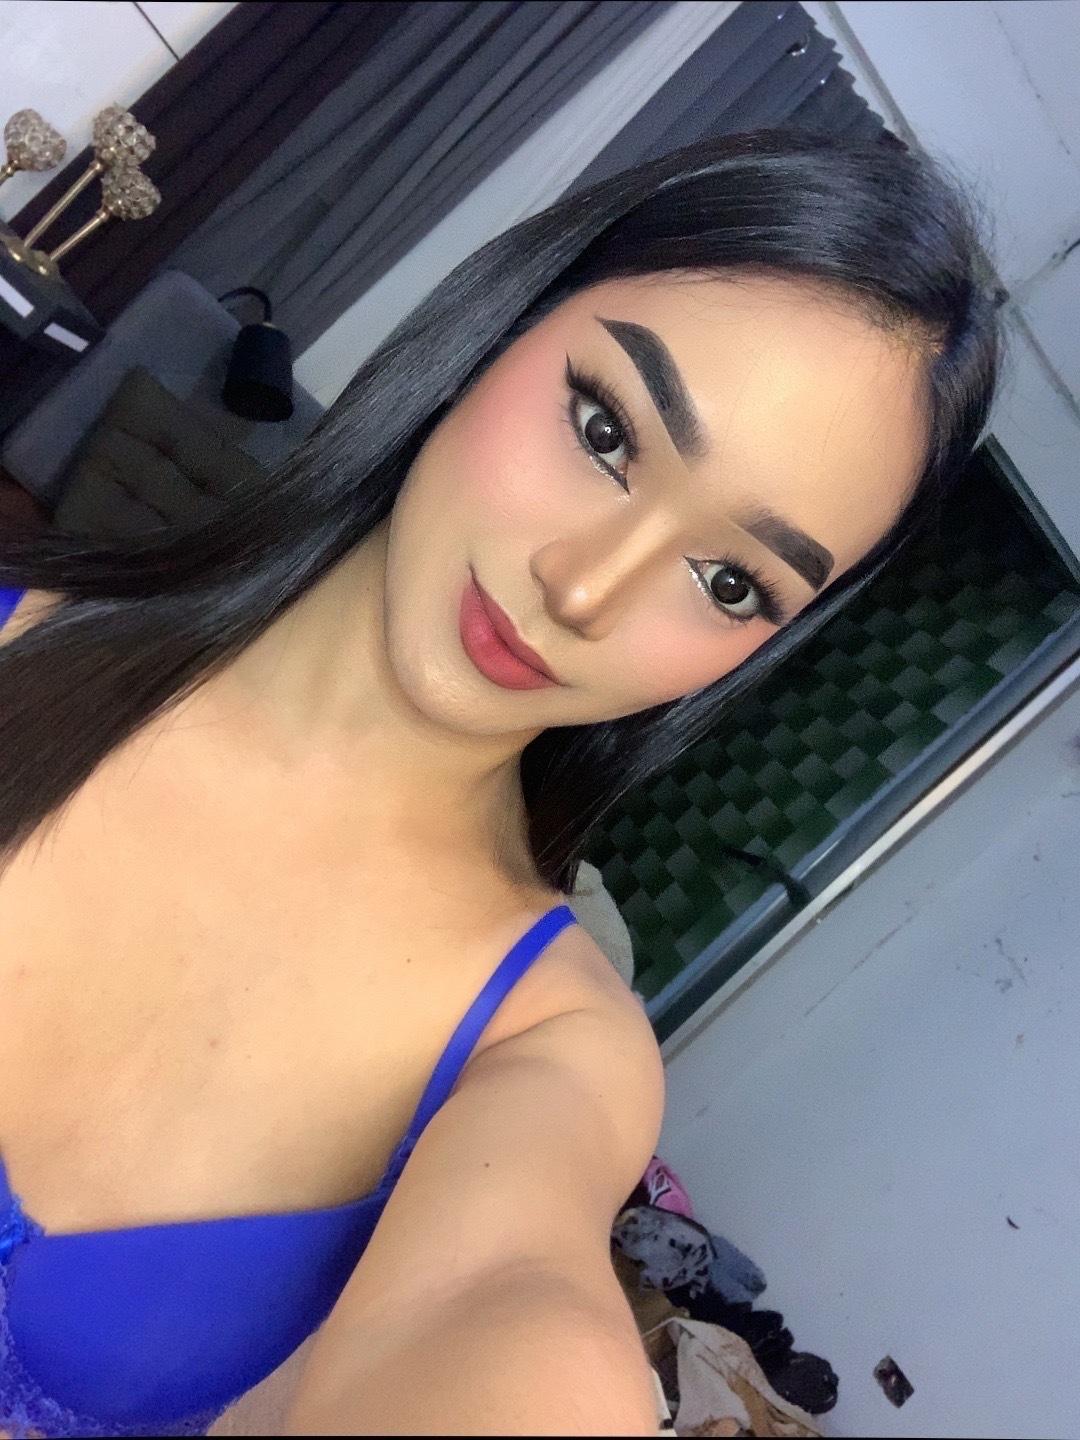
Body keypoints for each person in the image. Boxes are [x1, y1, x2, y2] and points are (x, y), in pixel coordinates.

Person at [0, 127, 1002, 1436]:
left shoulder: (555, 1048)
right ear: (500, 323)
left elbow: (511, 1313)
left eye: (728, 582)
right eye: (606, 429)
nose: (583, 590)